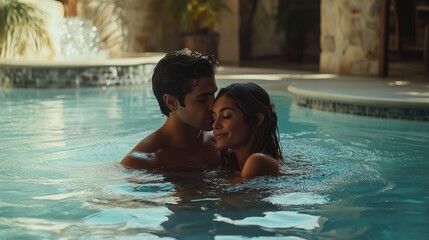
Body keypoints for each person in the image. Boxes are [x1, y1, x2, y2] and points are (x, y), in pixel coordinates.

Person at [121, 48, 220, 169]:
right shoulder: (142, 163)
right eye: (202, 99)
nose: (214, 105)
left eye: (213, 95)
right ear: (171, 102)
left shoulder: (221, 144)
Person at [211, 82, 283, 178]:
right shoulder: (232, 161)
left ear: (257, 120)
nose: (215, 125)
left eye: (226, 116)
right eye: (214, 117)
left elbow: (225, 192)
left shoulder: (258, 161)